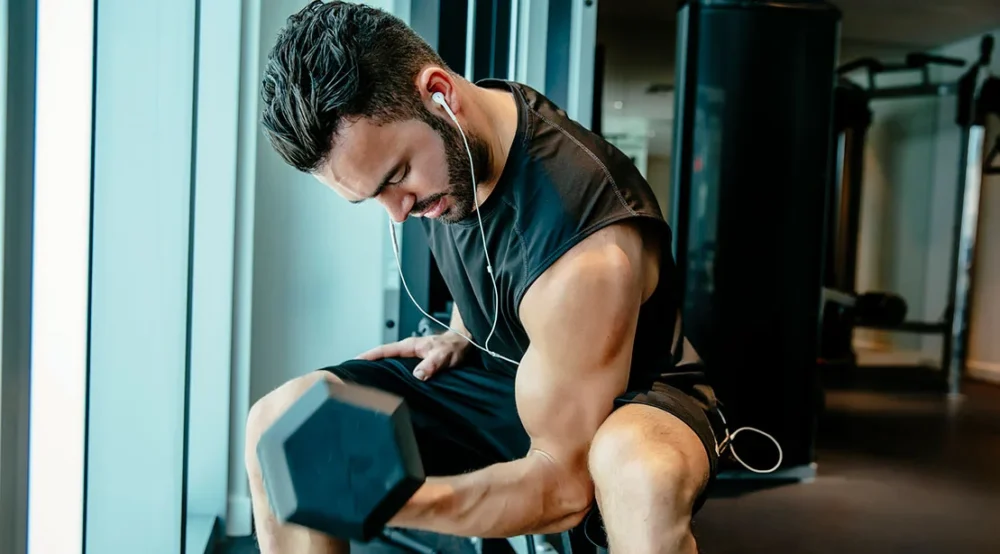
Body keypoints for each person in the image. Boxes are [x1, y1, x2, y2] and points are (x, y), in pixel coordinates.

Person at [244, 2, 726, 553]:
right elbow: (492, 251)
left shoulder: (585, 248)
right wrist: (462, 329)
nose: (397, 212)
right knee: (284, 422)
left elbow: (564, 489)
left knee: (639, 473)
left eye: (397, 177)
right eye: (372, 196)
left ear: (439, 93)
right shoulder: (467, 137)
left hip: (627, 396)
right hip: (516, 371)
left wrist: (391, 499)